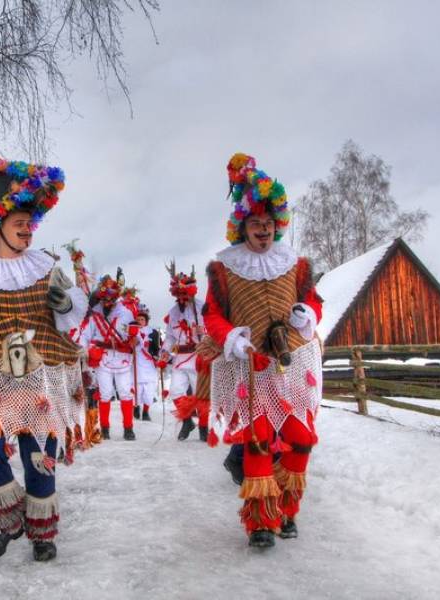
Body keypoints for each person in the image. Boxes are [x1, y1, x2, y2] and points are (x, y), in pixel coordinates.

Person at [0, 148, 87, 562]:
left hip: (40, 377)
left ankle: (42, 531)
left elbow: (72, 313)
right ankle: (6, 523)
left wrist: (64, 304)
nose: (27, 231)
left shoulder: (46, 268)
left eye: (29, 224)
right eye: (19, 224)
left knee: (39, 454)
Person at [198, 152, 323, 548]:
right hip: (250, 368)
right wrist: (232, 339)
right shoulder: (224, 269)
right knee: (258, 441)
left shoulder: (295, 264)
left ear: (277, 226)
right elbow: (212, 315)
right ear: (243, 228)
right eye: (256, 224)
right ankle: (260, 525)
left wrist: (307, 313)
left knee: (302, 438)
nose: (263, 230)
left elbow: (313, 301)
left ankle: (286, 509)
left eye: (268, 224)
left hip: (292, 365)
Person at [78, 272, 138, 441]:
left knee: (125, 393)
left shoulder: (126, 313)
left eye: (110, 299)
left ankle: (128, 428)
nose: (106, 302)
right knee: (105, 393)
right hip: (102, 358)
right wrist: (83, 350)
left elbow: (135, 335)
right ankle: (105, 428)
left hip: (122, 358)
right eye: (104, 299)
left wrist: (134, 339)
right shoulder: (94, 315)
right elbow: (85, 335)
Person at [161, 264, 208, 441]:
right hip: (180, 358)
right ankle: (187, 421)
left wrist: (204, 332)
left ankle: (204, 428)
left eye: (184, 295)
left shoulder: (202, 308)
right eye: (178, 295)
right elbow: (170, 337)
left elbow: (213, 330)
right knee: (175, 391)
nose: (181, 298)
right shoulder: (173, 312)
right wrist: (165, 352)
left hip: (199, 356)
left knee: (201, 395)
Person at [132, 304, 160, 421]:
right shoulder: (132, 331)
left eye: (142, 319)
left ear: (146, 321)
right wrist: (132, 343)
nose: (140, 321)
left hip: (149, 364)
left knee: (149, 389)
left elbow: (157, 348)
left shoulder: (153, 332)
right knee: (137, 388)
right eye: (138, 319)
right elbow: (127, 347)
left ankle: (146, 412)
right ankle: (136, 406)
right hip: (136, 363)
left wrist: (157, 356)